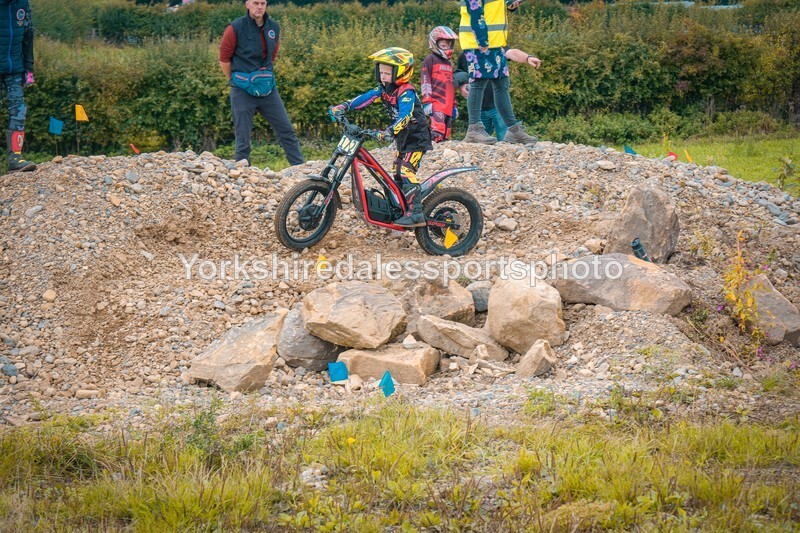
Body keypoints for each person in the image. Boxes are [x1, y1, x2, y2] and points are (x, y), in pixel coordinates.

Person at [330, 48, 432, 228]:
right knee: (396, 171)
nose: (383, 76)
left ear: (401, 72)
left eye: (387, 73)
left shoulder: (406, 92)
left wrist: (388, 132)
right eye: (381, 72)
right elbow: (366, 98)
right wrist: (344, 106)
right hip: (403, 138)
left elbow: (405, 116)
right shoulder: (384, 90)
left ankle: (416, 213)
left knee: (406, 170)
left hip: (417, 138)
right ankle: (401, 206)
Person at [219, 0, 304, 167]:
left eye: (263, 3)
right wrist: (233, 80)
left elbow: (273, 55)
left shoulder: (274, 27)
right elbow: (224, 58)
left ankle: (300, 169)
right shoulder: (235, 28)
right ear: (247, 4)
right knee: (242, 138)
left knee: (287, 130)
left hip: (267, 89)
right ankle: (243, 176)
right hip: (242, 89)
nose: (259, 7)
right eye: (255, 3)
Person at [459, 0, 538, 145]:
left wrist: (510, 4)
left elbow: (497, 7)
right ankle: (474, 129)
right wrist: (482, 40)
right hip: (478, 43)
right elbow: (474, 10)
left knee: (502, 84)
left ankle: (513, 130)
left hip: (496, 44)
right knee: (478, 83)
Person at [455, 48, 541, 141]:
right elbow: (459, 72)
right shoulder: (466, 54)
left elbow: (511, 52)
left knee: (505, 139)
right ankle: (475, 132)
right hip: (479, 108)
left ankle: (514, 131)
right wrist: (462, 84)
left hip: (497, 108)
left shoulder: (497, 48)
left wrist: (528, 57)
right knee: (479, 142)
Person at [1, 0, 36, 173]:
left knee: (19, 110)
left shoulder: (23, 3)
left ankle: (15, 158)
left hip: (15, 68)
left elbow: (28, 34)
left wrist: (28, 68)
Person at [420, 26, 458, 143]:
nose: (447, 48)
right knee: (437, 133)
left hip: (448, 104)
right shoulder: (430, 59)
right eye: (443, 45)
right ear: (435, 44)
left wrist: (454, 105)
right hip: (436, 103)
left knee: (447, 134)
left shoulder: (449, 63)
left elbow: (451, 85)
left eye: (448, 45)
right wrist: (427, 101)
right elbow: (425, 80)